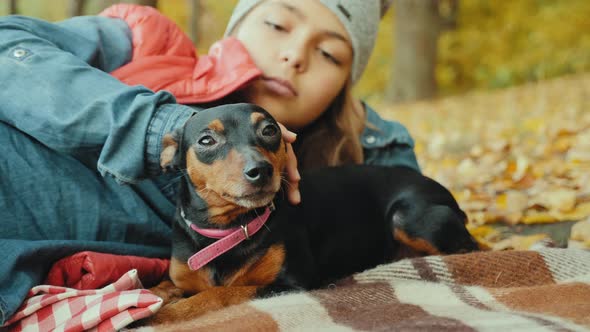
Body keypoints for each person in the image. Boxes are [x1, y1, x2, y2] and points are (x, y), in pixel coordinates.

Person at [0, 0, 419, 324]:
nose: (294, 55)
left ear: (345, 85)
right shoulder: (146, 40)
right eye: (277, 24)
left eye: (329, 53)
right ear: (236, 27)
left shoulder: (331, 175)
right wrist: (158, 128)